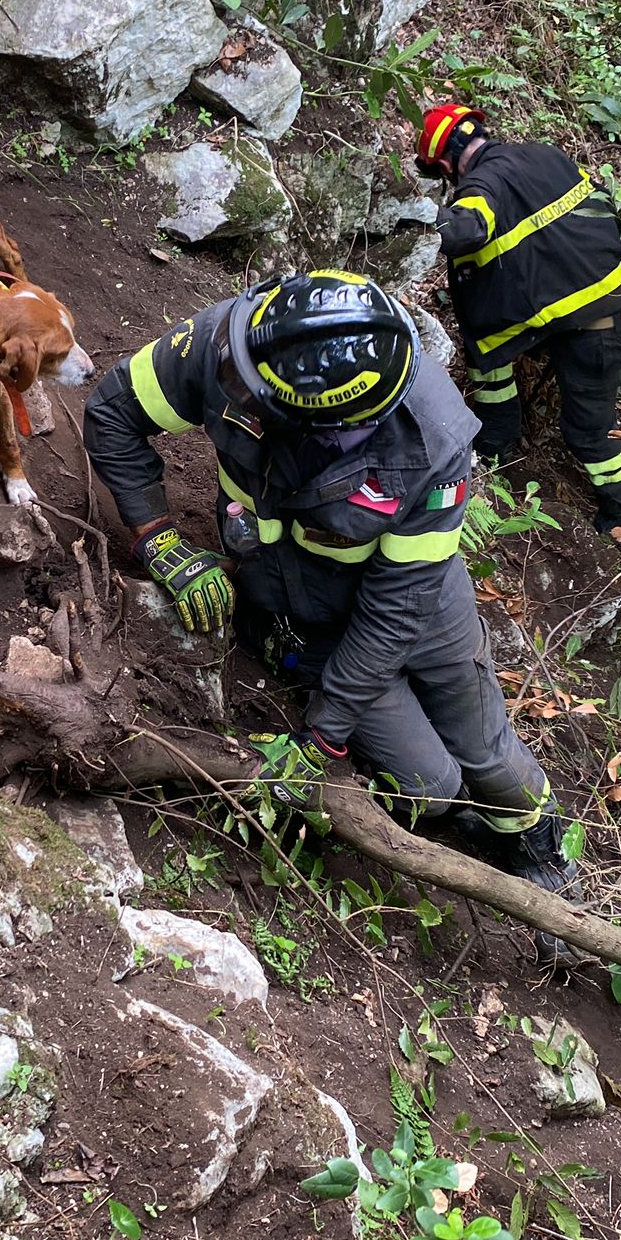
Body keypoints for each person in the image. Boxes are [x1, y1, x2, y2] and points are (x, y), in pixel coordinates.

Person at [83, 268, 577, 908]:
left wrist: (324, 734)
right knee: (430, 785)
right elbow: (113, 410)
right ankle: (447, 810)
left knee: (487, 754)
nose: (245, 398)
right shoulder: (239, 344)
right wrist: (157, 537)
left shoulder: (431, 442)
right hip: (295, 603)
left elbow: (395, 613)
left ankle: (541, 853)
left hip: (412, 600)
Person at [416, 104, 621, 534]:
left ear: (444, 163)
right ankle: (498, 439)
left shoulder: (481, 185)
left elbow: (472, 226)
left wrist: (420, 222)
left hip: (594, 327)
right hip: (604, 301)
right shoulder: (545, 154)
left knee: (588, 433)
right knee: (489, 347)